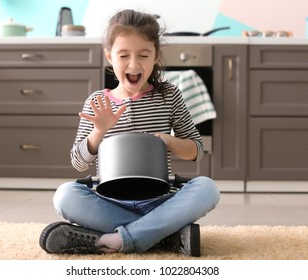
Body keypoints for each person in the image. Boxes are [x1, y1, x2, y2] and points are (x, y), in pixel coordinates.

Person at [39, 9, 220, 257]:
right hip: (110, 202)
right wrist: (99, 131)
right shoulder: (98, 101)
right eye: (123, 55)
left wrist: (168, 141)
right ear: (109, 57)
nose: (134, 64)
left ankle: (112, 238)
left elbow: (197, 151)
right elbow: (78, 162)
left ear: (156, 56)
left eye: (144, 55)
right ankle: (165, 235)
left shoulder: (169, 96)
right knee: (64, 195)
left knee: (207, 188)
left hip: (159, 200)